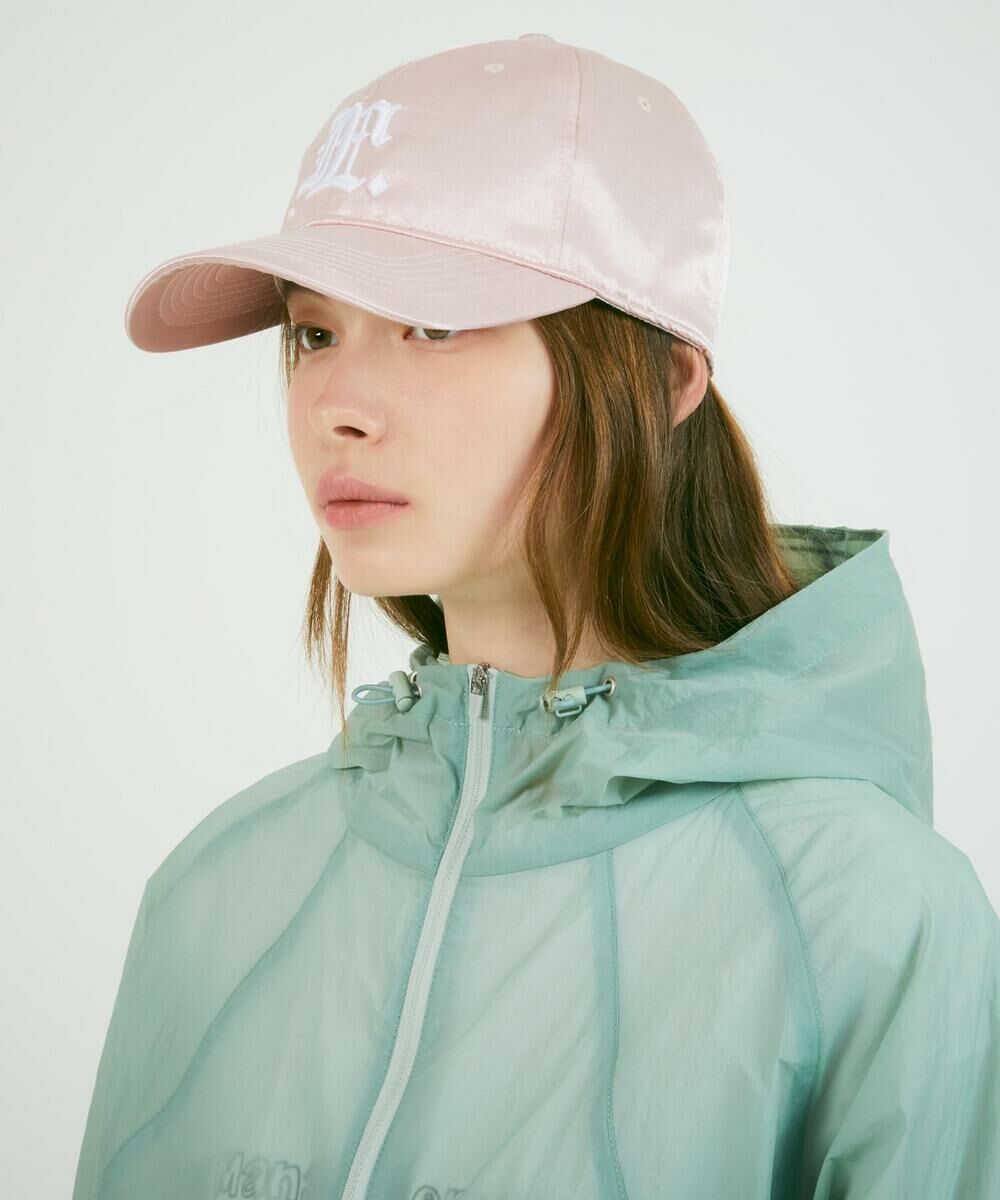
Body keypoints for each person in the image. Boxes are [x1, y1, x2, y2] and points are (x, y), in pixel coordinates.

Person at [74, 32, 999, 1200]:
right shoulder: (213, 893)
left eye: (433, 324)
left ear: (663, 381)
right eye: (314, 332)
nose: (336, 406)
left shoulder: (870, 919)